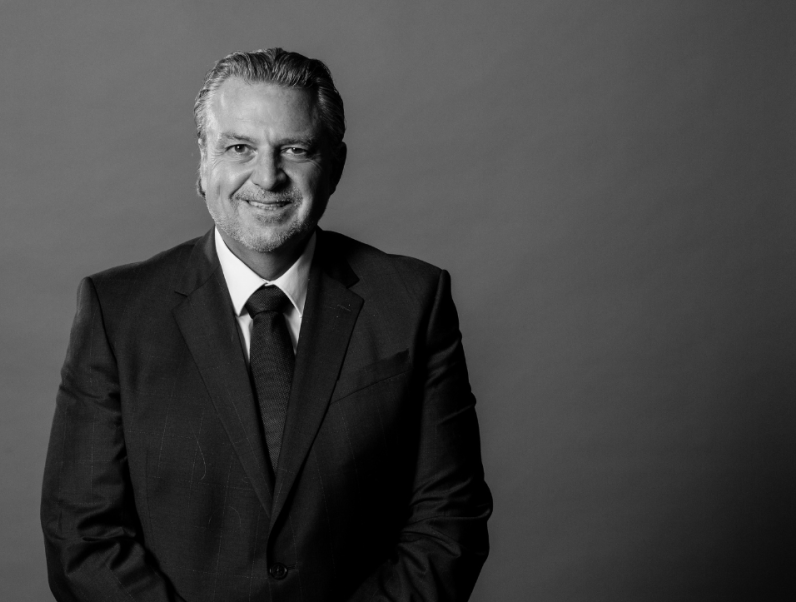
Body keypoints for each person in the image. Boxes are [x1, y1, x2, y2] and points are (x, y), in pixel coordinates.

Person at [41, 47, 493, 602]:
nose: (267, 177)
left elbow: (449, 522)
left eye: (295, 149)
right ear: (203, 162)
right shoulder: (117, 312)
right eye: (239, 148)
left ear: (335, 166)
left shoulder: (413, 302)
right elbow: (83, 536)